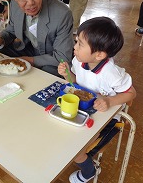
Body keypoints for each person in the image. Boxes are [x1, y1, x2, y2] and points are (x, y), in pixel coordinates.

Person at [58, 17, 136, 183]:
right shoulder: (79, 61)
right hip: (84, 107)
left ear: (99, 54)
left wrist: (109, 101)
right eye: (76, 41)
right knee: (59, 136)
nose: (74, 47)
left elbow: (131, 94)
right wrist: (67, 75)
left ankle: (89, 171)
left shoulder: (111, 73)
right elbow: (76, 81)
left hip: (107, 118)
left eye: (80, 44)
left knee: (76, 151)